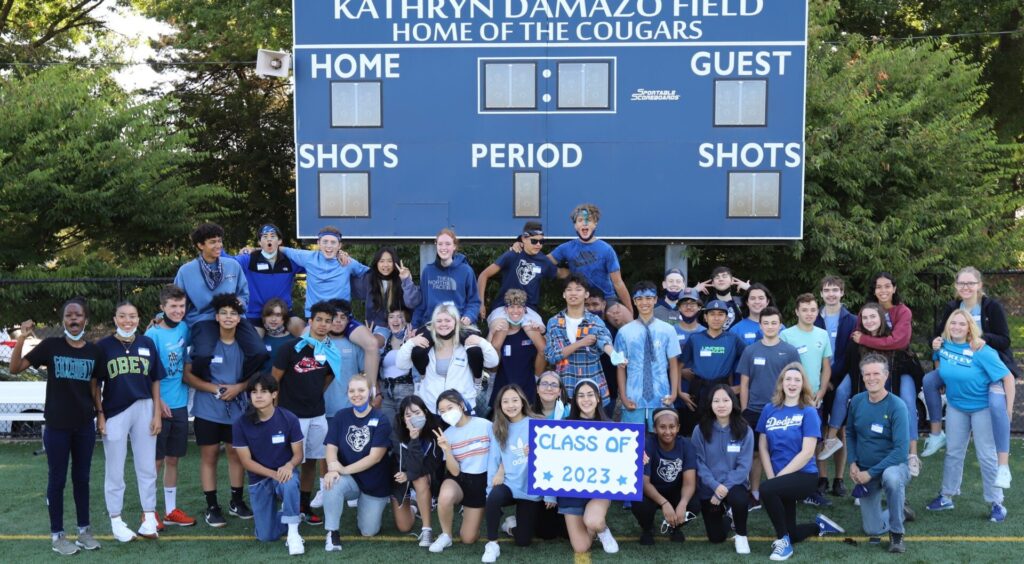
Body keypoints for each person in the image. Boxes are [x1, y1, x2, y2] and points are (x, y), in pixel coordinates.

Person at [9, 299, 104, 555]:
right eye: (69, 315)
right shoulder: (51, 346)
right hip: (57, 427)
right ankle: (58, 536)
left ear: (86, 319)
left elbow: (95, 388)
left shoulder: (94, 352)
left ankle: (84, 531)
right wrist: (21, 338)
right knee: (57, 479)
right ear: (63, 320)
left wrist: (101, 415)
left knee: (82, 479)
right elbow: (15, 368)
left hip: (84, 425)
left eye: (79, 315)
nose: (74, 319)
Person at [922, 267, 1016, 490]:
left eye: (970, 283)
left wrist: (981, 338)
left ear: (979, 285)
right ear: (956, 286)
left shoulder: (991, 307)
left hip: (988, 366)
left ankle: (1003, 465)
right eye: (961, 283)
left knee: (996, 404)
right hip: (959, 363)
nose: (966, 287)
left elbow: (1004, 340)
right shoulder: (953, 308)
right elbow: (940, 336)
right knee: (929, 381)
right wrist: (935, 344)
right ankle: (936, 433)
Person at [925, 310, 1012, 523]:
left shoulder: (981, 350)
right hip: (956, 407)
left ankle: (996, 503)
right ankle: (947, 496)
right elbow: (939, 367)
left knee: (986, 454)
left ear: (969, 327)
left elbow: (1008, 378)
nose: (956, 327)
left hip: (982, 408)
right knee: (953, 452)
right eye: (953, 323)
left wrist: (1007, 410)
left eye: (961, 324)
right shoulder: (942, 346)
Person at [92, 301, 165, 542]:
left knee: (147, 466)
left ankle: (148, 518)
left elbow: (155, 379)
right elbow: (95, 384)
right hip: (114, 412)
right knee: (115, 469)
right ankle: (116, 519)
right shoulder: (103, 346)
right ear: (114, 319)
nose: (127, 321)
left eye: (132, 316)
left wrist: (156, 413)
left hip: (144, 407)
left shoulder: (147, 343)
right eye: (122, 316)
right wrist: (100, 413)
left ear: (137, 318)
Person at [757, 363, 844, 561]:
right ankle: (818, 526)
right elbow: (763, 446)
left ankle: (783, 544)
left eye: (797, 379)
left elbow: (807, 453)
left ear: (803, 384)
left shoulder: (809, 411)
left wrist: (775, 480)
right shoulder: (769, 409)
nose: (792, 383)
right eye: (788, 379)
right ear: (781, 383)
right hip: (779, 478)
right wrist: (772, 477)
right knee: (792, 532)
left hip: (804, 476)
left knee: (766, 490)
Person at [183, 294, 254, 527]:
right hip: (207, 410)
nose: (228, 317)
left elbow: (253, 376)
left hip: (237, 410)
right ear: (216, 317)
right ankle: (212, 506)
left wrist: (239, 388)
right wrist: (213, 388)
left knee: (236, 455)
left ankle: (236, 501)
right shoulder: (204, 344)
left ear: (239, 319)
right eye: (223, 313)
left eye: (233, 313)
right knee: (210, 456)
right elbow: (188, 375)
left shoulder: (246, 345)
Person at [173, 223, 266, 382]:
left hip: (233, 316)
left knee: (260, 352)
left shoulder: (232, 265)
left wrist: (239, 303)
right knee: (202, 356)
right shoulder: (186, 271)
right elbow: (176, 299)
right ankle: (210, 385)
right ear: (200, 245)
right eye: (213, 242)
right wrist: (162, 316)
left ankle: (239, 384)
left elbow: (244, 294)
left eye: (220, 241)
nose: (218, 245)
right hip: (204, 319)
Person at [272, 301, 337, 526]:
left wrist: (313, 396)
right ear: (310, 321)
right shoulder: (290, 348)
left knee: (311, 461)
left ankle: (303, 505)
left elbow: (328, 378)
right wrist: (278, 412)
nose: (322, 324)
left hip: (317, 414)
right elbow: (274, 381)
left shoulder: (329, 351)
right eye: (318, 319)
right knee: (290, 460)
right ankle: (284, 503)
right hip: (291, 415)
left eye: (327, 321)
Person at [855, 273, 922, 476]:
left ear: (894, 288)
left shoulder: (903, 311)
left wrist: (867, 340)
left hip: (901, 365)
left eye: (887, 286)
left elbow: (898, 342)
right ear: (874, 290)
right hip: (876, 368)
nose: (883, 290)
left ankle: (912, 454)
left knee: (908, 402)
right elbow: (857, 336)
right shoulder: (867, 311)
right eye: (878, 287)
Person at [231, 373, 305, 555]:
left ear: (274, 394)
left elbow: (298, 455)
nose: (258, 396)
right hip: (259, 479)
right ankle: (291, 514)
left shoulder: (289, 419)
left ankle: (293, 535)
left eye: (264, 391)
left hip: (284, 474)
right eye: (254, 392)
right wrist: (273, 474)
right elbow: (246, 462)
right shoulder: (241, 423)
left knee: (289, 482)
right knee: (266, 535)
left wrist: (288, 466)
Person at [737, 306, 800, 510]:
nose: (770, 326)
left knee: (783, 451)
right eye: (766, 323)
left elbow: (797, 380)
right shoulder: (750, 350)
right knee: (755, 453)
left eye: (774, 323)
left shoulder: (790, 351)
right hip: (754, 410)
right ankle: (754, 494)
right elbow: (744, 383)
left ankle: (783, 490)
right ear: (760, 325)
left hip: (782, 409)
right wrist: (744, 409)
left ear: (780, 325)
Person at [847, 354, 911, 553]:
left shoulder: (897, 406)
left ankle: (897, 534)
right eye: (867, 374)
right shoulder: (857, 401)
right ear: (862, 376)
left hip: (893, 467)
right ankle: (900, 511)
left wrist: (870, 472)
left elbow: (901, 452)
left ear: (886, 376)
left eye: (876, 373)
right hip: (865, 470)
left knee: (891, 478)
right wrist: (852, 462)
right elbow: (849, 433)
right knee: (872, 529)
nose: (871, 378)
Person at [322, 374, 394, 551]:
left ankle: (367, 504)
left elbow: (375, 457)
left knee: (368, 531)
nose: (356, 394)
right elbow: (331, 447)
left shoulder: (382, 419)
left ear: (370, 392)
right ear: (347, 393)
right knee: (331, 482)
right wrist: (332, 467)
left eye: (361, 390)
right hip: (351, 480)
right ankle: (332, 533)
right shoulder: (341, 416)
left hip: (375, 482)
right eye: (352, 390)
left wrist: (343, 469)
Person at [145, 285, 197, 528]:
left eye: (181, 306)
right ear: (162, 307)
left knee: (173, 460)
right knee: (155, 461)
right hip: (158, 406)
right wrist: (158, 402)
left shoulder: (185, 328)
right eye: (173, 306)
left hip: (179, 406)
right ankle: (149, 512)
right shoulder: (152, 335)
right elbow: (144, 372)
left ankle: (170, 510)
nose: (178, 310)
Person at [481, 385, 551, 562]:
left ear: (522, 402)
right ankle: (492, 544)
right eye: (505, 401)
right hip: (510, 485)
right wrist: (490, 492)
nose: (510, 405)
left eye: (514, 400)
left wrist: (551, 494)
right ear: (500, 405)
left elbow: (551, 459)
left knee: (523, 541)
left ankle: (510, 525)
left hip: (531, 490)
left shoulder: (538, 423)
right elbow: (494, 460)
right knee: (495, 496)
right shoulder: (497, 427)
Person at [780, 294, 834, 505]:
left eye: (813, 310)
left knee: (813, 443)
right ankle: (788, 486)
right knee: (792, 441)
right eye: (805, 310)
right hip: (793, 398)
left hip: (815, 400)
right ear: (797, 312)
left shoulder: (822, 334)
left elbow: (826, 367)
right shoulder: (786, 335)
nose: (809, 313)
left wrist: (819, 394)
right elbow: (783, 369)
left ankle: (812, 489)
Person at [397, 303, 498, 413]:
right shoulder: (426, 345)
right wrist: (411, 342)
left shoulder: (466, 345)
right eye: (439, 321)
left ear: (456, 322)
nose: (443, 324)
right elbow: (401, 365)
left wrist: (481, 341)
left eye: (447, 320)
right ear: (433, 323)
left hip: (462, 407)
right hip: (432, 407)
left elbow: (493, 362)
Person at [558, 380, 619, 555]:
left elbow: (621, 461)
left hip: (599, 489)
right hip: (570, 491)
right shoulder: (563, 426)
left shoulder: (611, 428)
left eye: (590, 395)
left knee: (593, 521)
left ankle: (602, 529)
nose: (586, 400)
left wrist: (638, 457)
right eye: (581, 395)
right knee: (581, 547)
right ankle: (593, 522)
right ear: (575, 400)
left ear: (598, 398)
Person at [428, 390, 492, 553]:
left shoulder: (485, 425)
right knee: (446, 495)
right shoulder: (447, 434)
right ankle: (446, 535)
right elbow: (454, 472)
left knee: (468, 538)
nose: (446, 413)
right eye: (442, 411)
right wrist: (447, 450)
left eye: (450, 408)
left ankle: (478, 513)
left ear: (461, 405)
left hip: (481, 481)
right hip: (459, 479)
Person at [691, 385, 753, 553]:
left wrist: (723, 488)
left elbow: (744, 466)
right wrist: (714, 486)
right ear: (710, 404)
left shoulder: (745, 430)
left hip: (733, 486)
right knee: (716, 538)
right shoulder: (700, 430)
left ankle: (741, 535)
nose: (721, 405)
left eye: (725, 400)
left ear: (733, 402)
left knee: (740, 498)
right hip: (710, 490)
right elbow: (699, 463)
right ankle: (728, 518)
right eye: (716, 401)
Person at [545, 275, 623, 405]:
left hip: (592, 388)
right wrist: (580, 343)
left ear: (586, 294)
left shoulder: (594, 321)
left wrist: (613, 354)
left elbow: (603, 340)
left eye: (578, 289)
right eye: (569, 290)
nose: (573, 293)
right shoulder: (554, 322)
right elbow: (551, 356)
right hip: (565, 386)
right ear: (564, 294)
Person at [615, 281, 682, 429]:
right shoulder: (624, 332)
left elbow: (673, 364)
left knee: (662, 439)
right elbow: (620, 368)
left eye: (648, 298)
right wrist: (624, 398)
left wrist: (674, 393)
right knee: (632, 441)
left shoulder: (668, 330)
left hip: (662, 397)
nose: (644, 302)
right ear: (633, 301)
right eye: (639, 299)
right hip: (633, 397)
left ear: (655, 299)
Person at [814, 275, 858, 497]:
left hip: (840, 380)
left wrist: (832, 378)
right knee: (819, 429)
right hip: (818, 381)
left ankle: (839, 479)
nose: (831, 294)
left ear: (842, 293)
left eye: (835, 290)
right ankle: (822, 478)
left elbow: (849, 354)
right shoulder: (814, 318)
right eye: (827, 290)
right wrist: (823, 379)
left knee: (840, 429)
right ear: (821, 294)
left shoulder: (852, 319)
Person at [548, 203, 633, 318]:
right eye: (580, 220)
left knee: (625, 319)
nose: (584, 223)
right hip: (581, 299)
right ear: (575, 225)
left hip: (606, 299)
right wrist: (563, 273)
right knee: (561, 322)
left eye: (589, 220)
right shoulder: (566, 248)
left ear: (595, 224)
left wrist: (630, 311)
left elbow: (618, 283)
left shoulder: (606, 249)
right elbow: (544, 263)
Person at [632, 408, 699, 545]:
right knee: (639, 501)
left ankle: (674, 526)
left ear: (678, 427)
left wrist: (683, 503)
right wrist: (664, 503)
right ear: (655, 428)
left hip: (675, 491)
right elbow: (644, 483)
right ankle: (648, 528)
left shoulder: (686, 445)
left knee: (694, 503)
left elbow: (689, 483)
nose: (668, 432)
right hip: (652, 491)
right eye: (662, 427)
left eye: (672, 427)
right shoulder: (647, 444)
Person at [390, 395, 445, 548]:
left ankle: (427, 529)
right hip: (400, 476)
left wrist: (411, 475)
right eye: (408, 415)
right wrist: (413, 438)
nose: (413, 417)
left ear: (425, 413)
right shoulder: (397, 429)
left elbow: (433, 464)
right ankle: (414, 506)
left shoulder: (435, 427)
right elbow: (406, 463)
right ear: (402, 418)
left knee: (419, 480)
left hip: (420, 474)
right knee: (404, 526)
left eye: (417, 412)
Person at [477, 221, 557, 326]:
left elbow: (560, 274)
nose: (538, 245)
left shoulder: (544, 261)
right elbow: (484, 275)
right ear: (524, 239)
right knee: (500, 328)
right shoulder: (512, 254)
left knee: (535, 331)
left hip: (528, 308)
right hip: (504, 306)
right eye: (534, 241)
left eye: (541, 242)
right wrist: (481, 303)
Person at [278, 225, 368, 317]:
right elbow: (285, 250)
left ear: (339, 245)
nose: (329, 246)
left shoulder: (347, 262)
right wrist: (263, 249)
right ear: (318, 243)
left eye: (333, 242)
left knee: (363, 331)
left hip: (341, 317)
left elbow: (370, 274)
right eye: (325, 242)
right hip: (315, 316)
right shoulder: (308, 258)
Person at [228, 224, 301, 324]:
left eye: (272, 236)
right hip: (255, 315)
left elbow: (312, 261)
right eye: (265, 237)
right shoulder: (249, 259)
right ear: (259, 242)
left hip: (283, 314)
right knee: (255, 338)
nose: (269, 240)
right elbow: (226, 262)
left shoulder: (290, 261)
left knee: (301, 328)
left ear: (279, 241)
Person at [678, 299, 746, 406]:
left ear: (726, 318)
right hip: (698, 390)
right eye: (712, 314)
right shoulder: (695, 338)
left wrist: (741, 387)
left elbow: (751, 360)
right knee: (697, 422)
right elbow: (678, 366)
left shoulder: (733, 339)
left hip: (723, 389)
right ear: (705, 317)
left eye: (720, 314)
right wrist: (679, 392)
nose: (716, 318)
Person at [486, 289, 546, 407]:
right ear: (505, 309)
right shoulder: (500, 329)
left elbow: (544, 351)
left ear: (525, 309)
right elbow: (488, 357)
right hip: (502, 385)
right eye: (511, 307)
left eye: (519, 307)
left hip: (527, 386)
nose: (515, 311)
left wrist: (537, 379)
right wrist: (492, 333)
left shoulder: (531, 328)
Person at [412, 228, 482, 328]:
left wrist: (469, 316)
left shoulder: (466, 271)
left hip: (459, 326)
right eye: (440, 244)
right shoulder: (428, 271)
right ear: (436, 245)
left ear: (454, 246)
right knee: (412, 344)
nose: (443, 247)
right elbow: (422, 304)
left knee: (477, 344)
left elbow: (474, 302)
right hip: (432, 325)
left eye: (448, 244)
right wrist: (414, 326)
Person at [354, 246, 422, 329]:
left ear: (395, 263)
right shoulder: (369, 279)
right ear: (376, 263)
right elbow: (348, 284)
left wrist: (406, 280)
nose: (385, 265)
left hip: (401, 329)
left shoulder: (401, 278)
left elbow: (412, 303)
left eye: (390, 261)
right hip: (376, 329)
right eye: (382, 261)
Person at [672, 289, 706, 437]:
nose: (689, 306)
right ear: (678, 307)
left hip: (700, 392)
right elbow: (662, 360)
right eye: (684, 303)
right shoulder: (670, 331)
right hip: (676, 391)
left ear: (699, 307)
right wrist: (681, 371)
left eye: (693, 303)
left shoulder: (706, 331)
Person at [378, 306, 417, 427]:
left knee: (408, 427)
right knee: (388, 428)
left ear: (406, 320)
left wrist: (412, 344)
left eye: (400, 317)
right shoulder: (385, 340)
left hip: (406, 388)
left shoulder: (412, 337)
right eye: (391, 317)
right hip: (386, 390)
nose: (395, 320)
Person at [697, 266, 749, 331]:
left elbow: (761, 307)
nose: (721, 279)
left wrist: (751, 289)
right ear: (712, 283)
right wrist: (694, 291)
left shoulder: (742, 303)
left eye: (724, 276)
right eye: (717, 277)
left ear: (732, 281)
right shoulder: (704, 303)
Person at [259, 298, 294, 372]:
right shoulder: (259, 338)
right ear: (264, 318)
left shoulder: (293, 341)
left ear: (284, 318)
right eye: (269, 315)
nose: (273, 319)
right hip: (261, 382)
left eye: (278, 315)